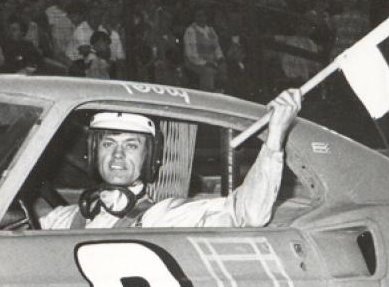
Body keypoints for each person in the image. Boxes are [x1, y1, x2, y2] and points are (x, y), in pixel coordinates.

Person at [38, 89, 302, 230]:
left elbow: (248, 214)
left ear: (149, 158)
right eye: (108, 143)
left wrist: (275, 137)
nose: (118, 154)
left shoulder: (162, 217)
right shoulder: (64, 218)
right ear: (94, 152)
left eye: (131, 145)